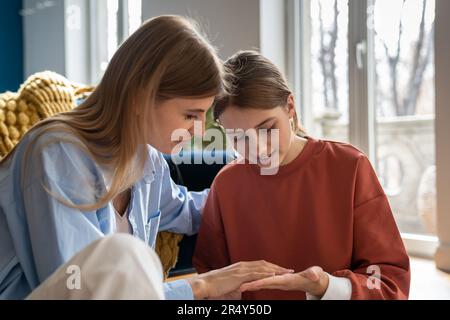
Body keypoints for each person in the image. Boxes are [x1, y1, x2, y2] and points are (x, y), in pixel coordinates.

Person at [0, 17, 292, 300]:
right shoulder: (56, 152)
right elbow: (83, 287)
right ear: (140, 96)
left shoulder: (148, 161)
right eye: (190, 115)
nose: (200, 129)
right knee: (125, 256)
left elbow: (187, 212)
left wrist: (253, 191)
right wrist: (201, 286)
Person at [193, 50, 411, 300]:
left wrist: (325, 287)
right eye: (239, 137)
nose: (259, 150)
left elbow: (390, 285)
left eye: (267, 129)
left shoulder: (350, 167)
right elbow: (210, 280)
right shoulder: (226, 184)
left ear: (290, 106)